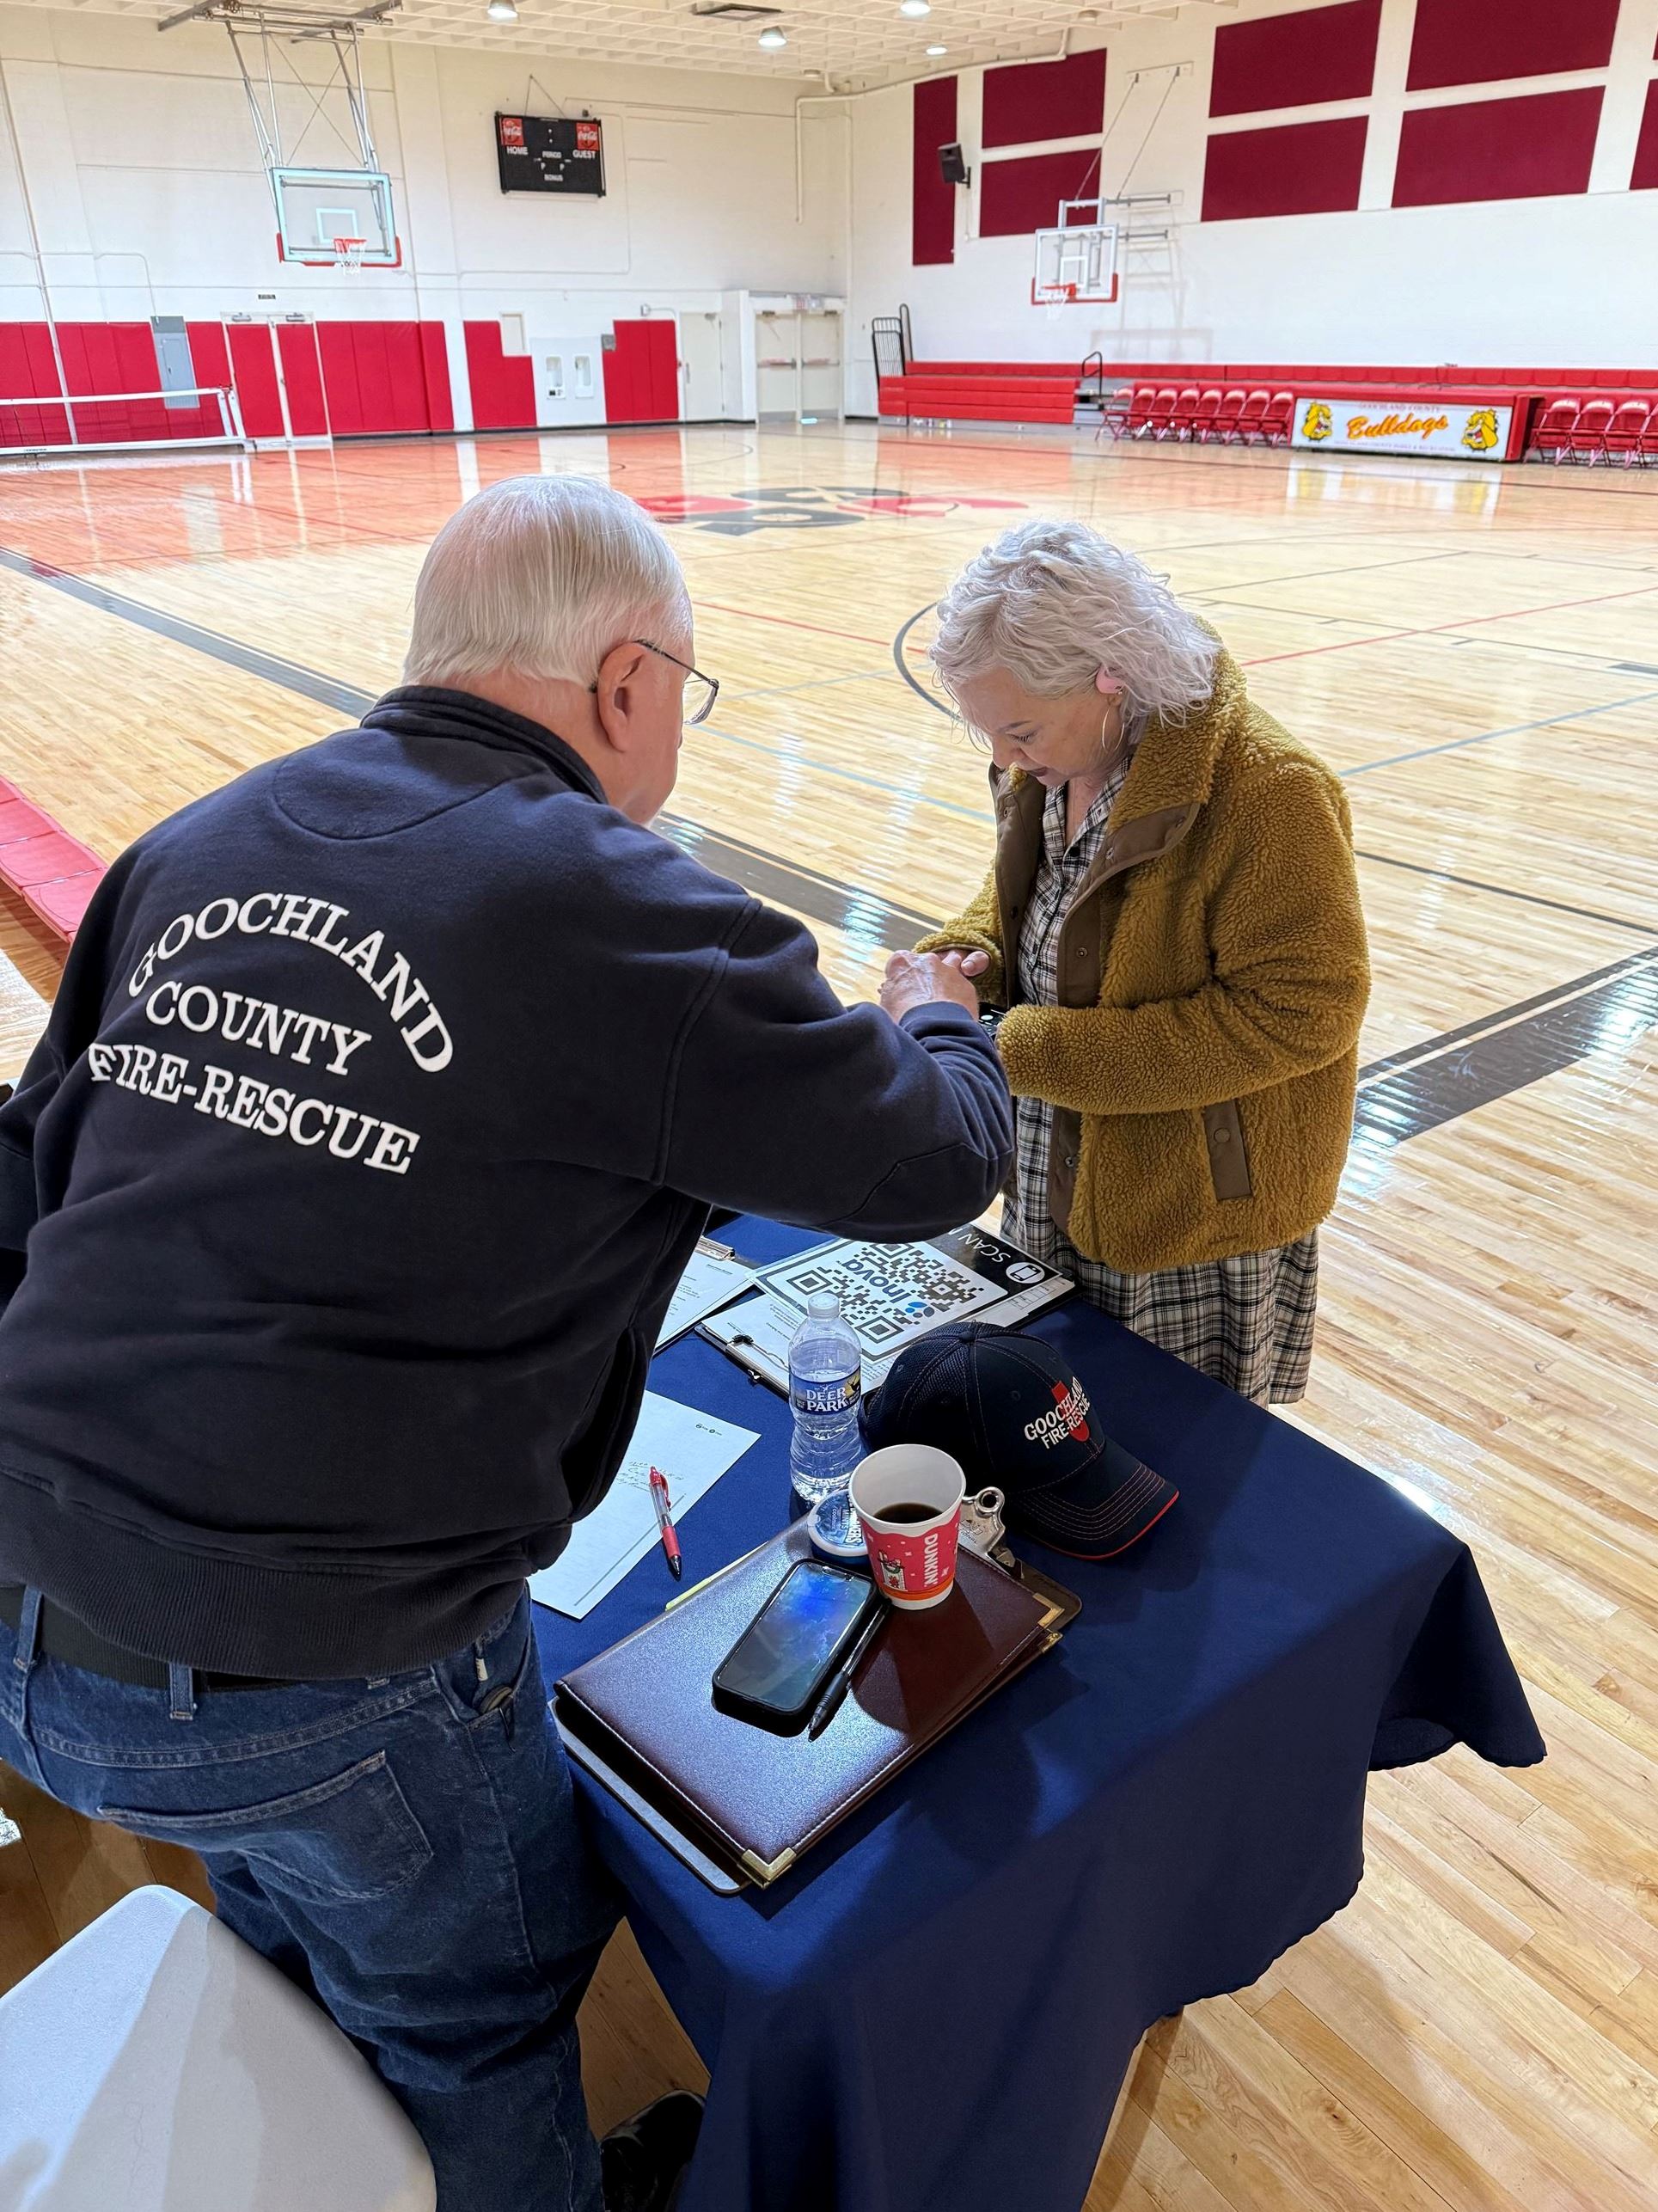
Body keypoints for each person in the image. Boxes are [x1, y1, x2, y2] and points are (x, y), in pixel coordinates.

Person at [0, 475, 1013, 2212]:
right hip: (319, 1657)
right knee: (479, 2020)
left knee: (297, 1918)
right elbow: (933, 1159)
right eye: (677, 699)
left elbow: (29, 1185)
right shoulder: (628, 908)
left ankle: (334, 2146)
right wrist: (933, 1018)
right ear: (624, 683)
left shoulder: (202, 835)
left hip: (28, 1620)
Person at [917, 517, 1368, 1405]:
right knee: (1056, 1435)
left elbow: (1305, 1009)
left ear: (1111, 677)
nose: (1006, 758)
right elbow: (1030, 899)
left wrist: (1015, 1042)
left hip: (1189, 1212)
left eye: (1019, 729)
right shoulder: (1059, 755)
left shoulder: (1270, 791)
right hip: (1057, 1167)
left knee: (1176, 1473)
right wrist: (960, 959)